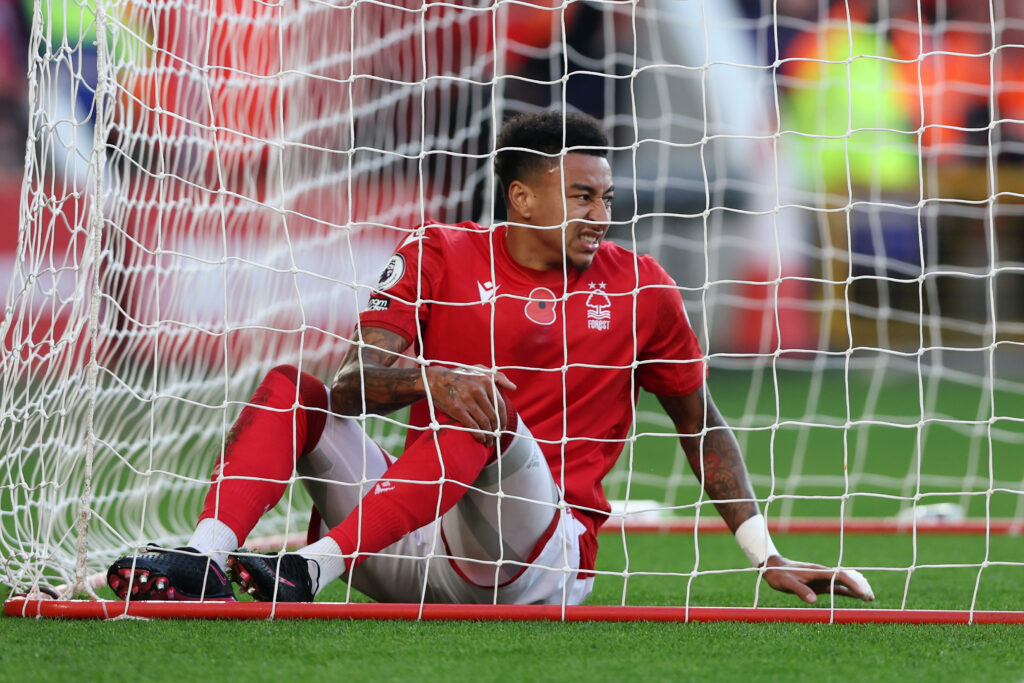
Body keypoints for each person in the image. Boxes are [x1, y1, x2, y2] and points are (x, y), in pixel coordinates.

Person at [107, 111, 874, 606]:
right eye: (581, 196)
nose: (601, 217)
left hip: (539, 561)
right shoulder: (436, 252)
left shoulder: (644, 287)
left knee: (483, 406)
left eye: (606, 199)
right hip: (402, 543)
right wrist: (426, 376)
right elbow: (354, 384)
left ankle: (306, 571)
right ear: (521, 199)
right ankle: (204, 560)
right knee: (292, 386)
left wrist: (765, 553)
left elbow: (701, 427)